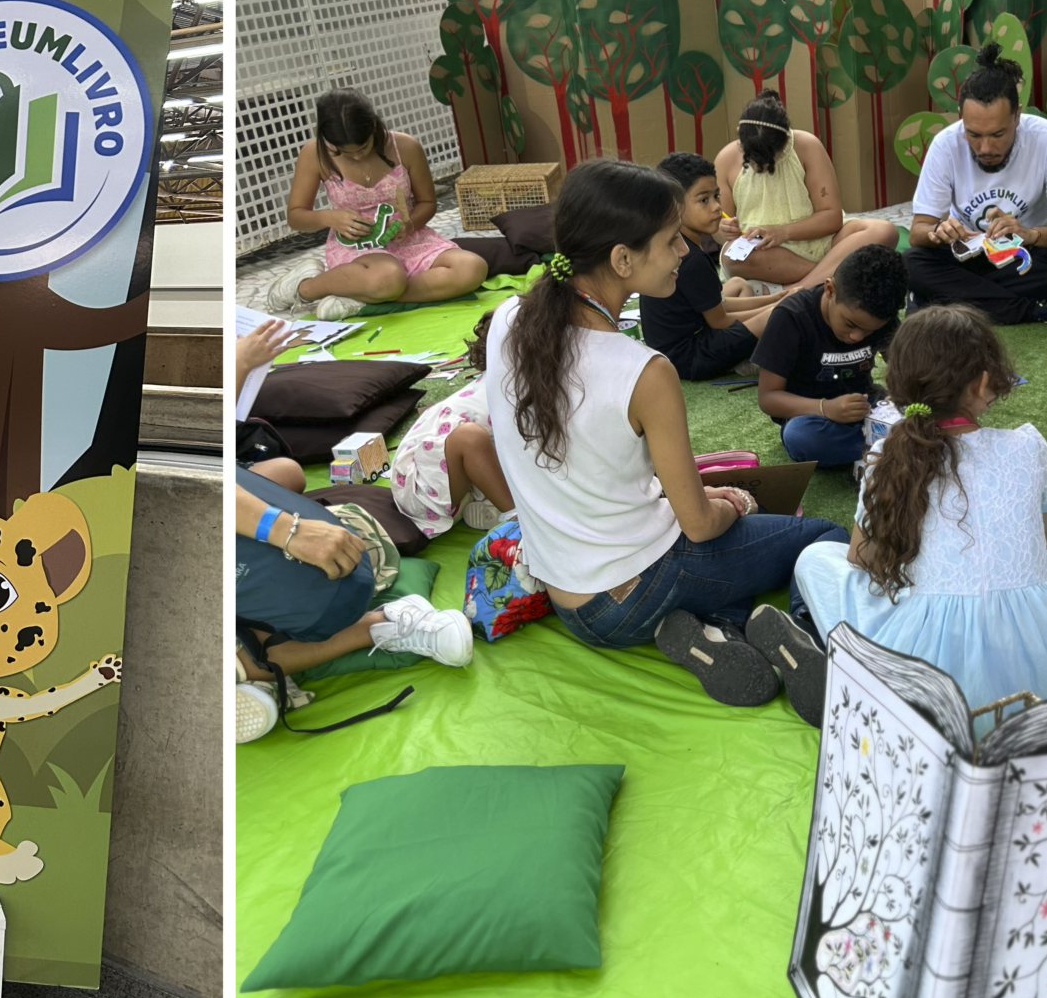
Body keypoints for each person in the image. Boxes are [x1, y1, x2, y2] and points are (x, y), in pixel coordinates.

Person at [482, 158, 845, 717]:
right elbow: (698, 524)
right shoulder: (644, 371)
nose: (684, 251)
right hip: (642, 584)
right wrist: (733, 503)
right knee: (824, 535)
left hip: (568, 601)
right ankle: (801, 638)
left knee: (723, 565)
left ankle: (712, 629)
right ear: (622, 259)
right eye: (672, 240)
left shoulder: (508, 318)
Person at [793, 305, 1047, 718]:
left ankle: (825, 650)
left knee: (816, 558)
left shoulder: (885, 454)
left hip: (923, 673)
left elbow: (861, 559)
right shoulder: (1027, 445)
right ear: (984, 382)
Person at [232, 465, 473, 742]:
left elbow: (285, 474)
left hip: (316, 551)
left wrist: (286, 529)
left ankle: (381, 623)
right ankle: (373, 629)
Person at [904, 43, 1047, 326]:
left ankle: (939, 299)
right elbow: (917, 232)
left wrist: (1029, 234)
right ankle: (1035, 311)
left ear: (1017, 116)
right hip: (967, 256)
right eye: (973, 134)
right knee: (911, 263)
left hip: (1023, 255)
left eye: (998, 134)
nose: (985, 148)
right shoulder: (945, 144)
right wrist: (938, 230)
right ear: (961, 117)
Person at [258, 90, 491, 320]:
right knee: (388, 277)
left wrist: (410, 225)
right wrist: (328, 217)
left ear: (374, 127)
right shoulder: (315, 154)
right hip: (358, 247)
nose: (357, 157)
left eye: (362, 148)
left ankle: (362, 296)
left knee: (472, 268)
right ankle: (306, 288)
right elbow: (296, 216)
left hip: (409, 239)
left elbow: (428, 202)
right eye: (344, 152)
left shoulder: (406, 147)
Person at [709, 90, 902, 292]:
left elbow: (831, 217)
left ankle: (799, 289)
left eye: (769, 160)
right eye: (751, 159)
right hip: (769, 255)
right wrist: (724, 230)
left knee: (884, 231)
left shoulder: (807, 146)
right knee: (731, 256)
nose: (760, 166)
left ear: (785, 141)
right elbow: (720, 229)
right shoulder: (726, 159)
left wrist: (783, 232)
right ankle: (832, 278)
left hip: (824, 244)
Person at [753, 244, 908, 470]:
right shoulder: (791, 317)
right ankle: (894, 445)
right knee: (801, 438)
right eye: (850, 324)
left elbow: (905, 367)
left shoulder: (882, 312)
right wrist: (826, 408)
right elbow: (768, 398)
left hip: (866, 406)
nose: (856, 336)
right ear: (830, 289)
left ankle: (881, 445)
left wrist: (898, 396)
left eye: (870, 331)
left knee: (926, 406)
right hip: (812, 417)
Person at [637, 150, 787, 380]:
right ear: (673, 206)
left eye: (716, 196)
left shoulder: (677, 243)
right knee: (776, 316)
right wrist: (775, 308)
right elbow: (720, 320)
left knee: (737, 284)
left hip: (673, 349)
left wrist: (773, 298)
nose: (717, 206)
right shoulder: (691, 259)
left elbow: (716, 306)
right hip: (690, 359)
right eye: (704, 200)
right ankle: (742, 360)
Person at [387, 319, 516, 538]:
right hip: (421, 488)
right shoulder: (509, 389)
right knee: (470, 437)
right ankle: (515, 517)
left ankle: (487, 502)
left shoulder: (510, 382)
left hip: (451, 480)